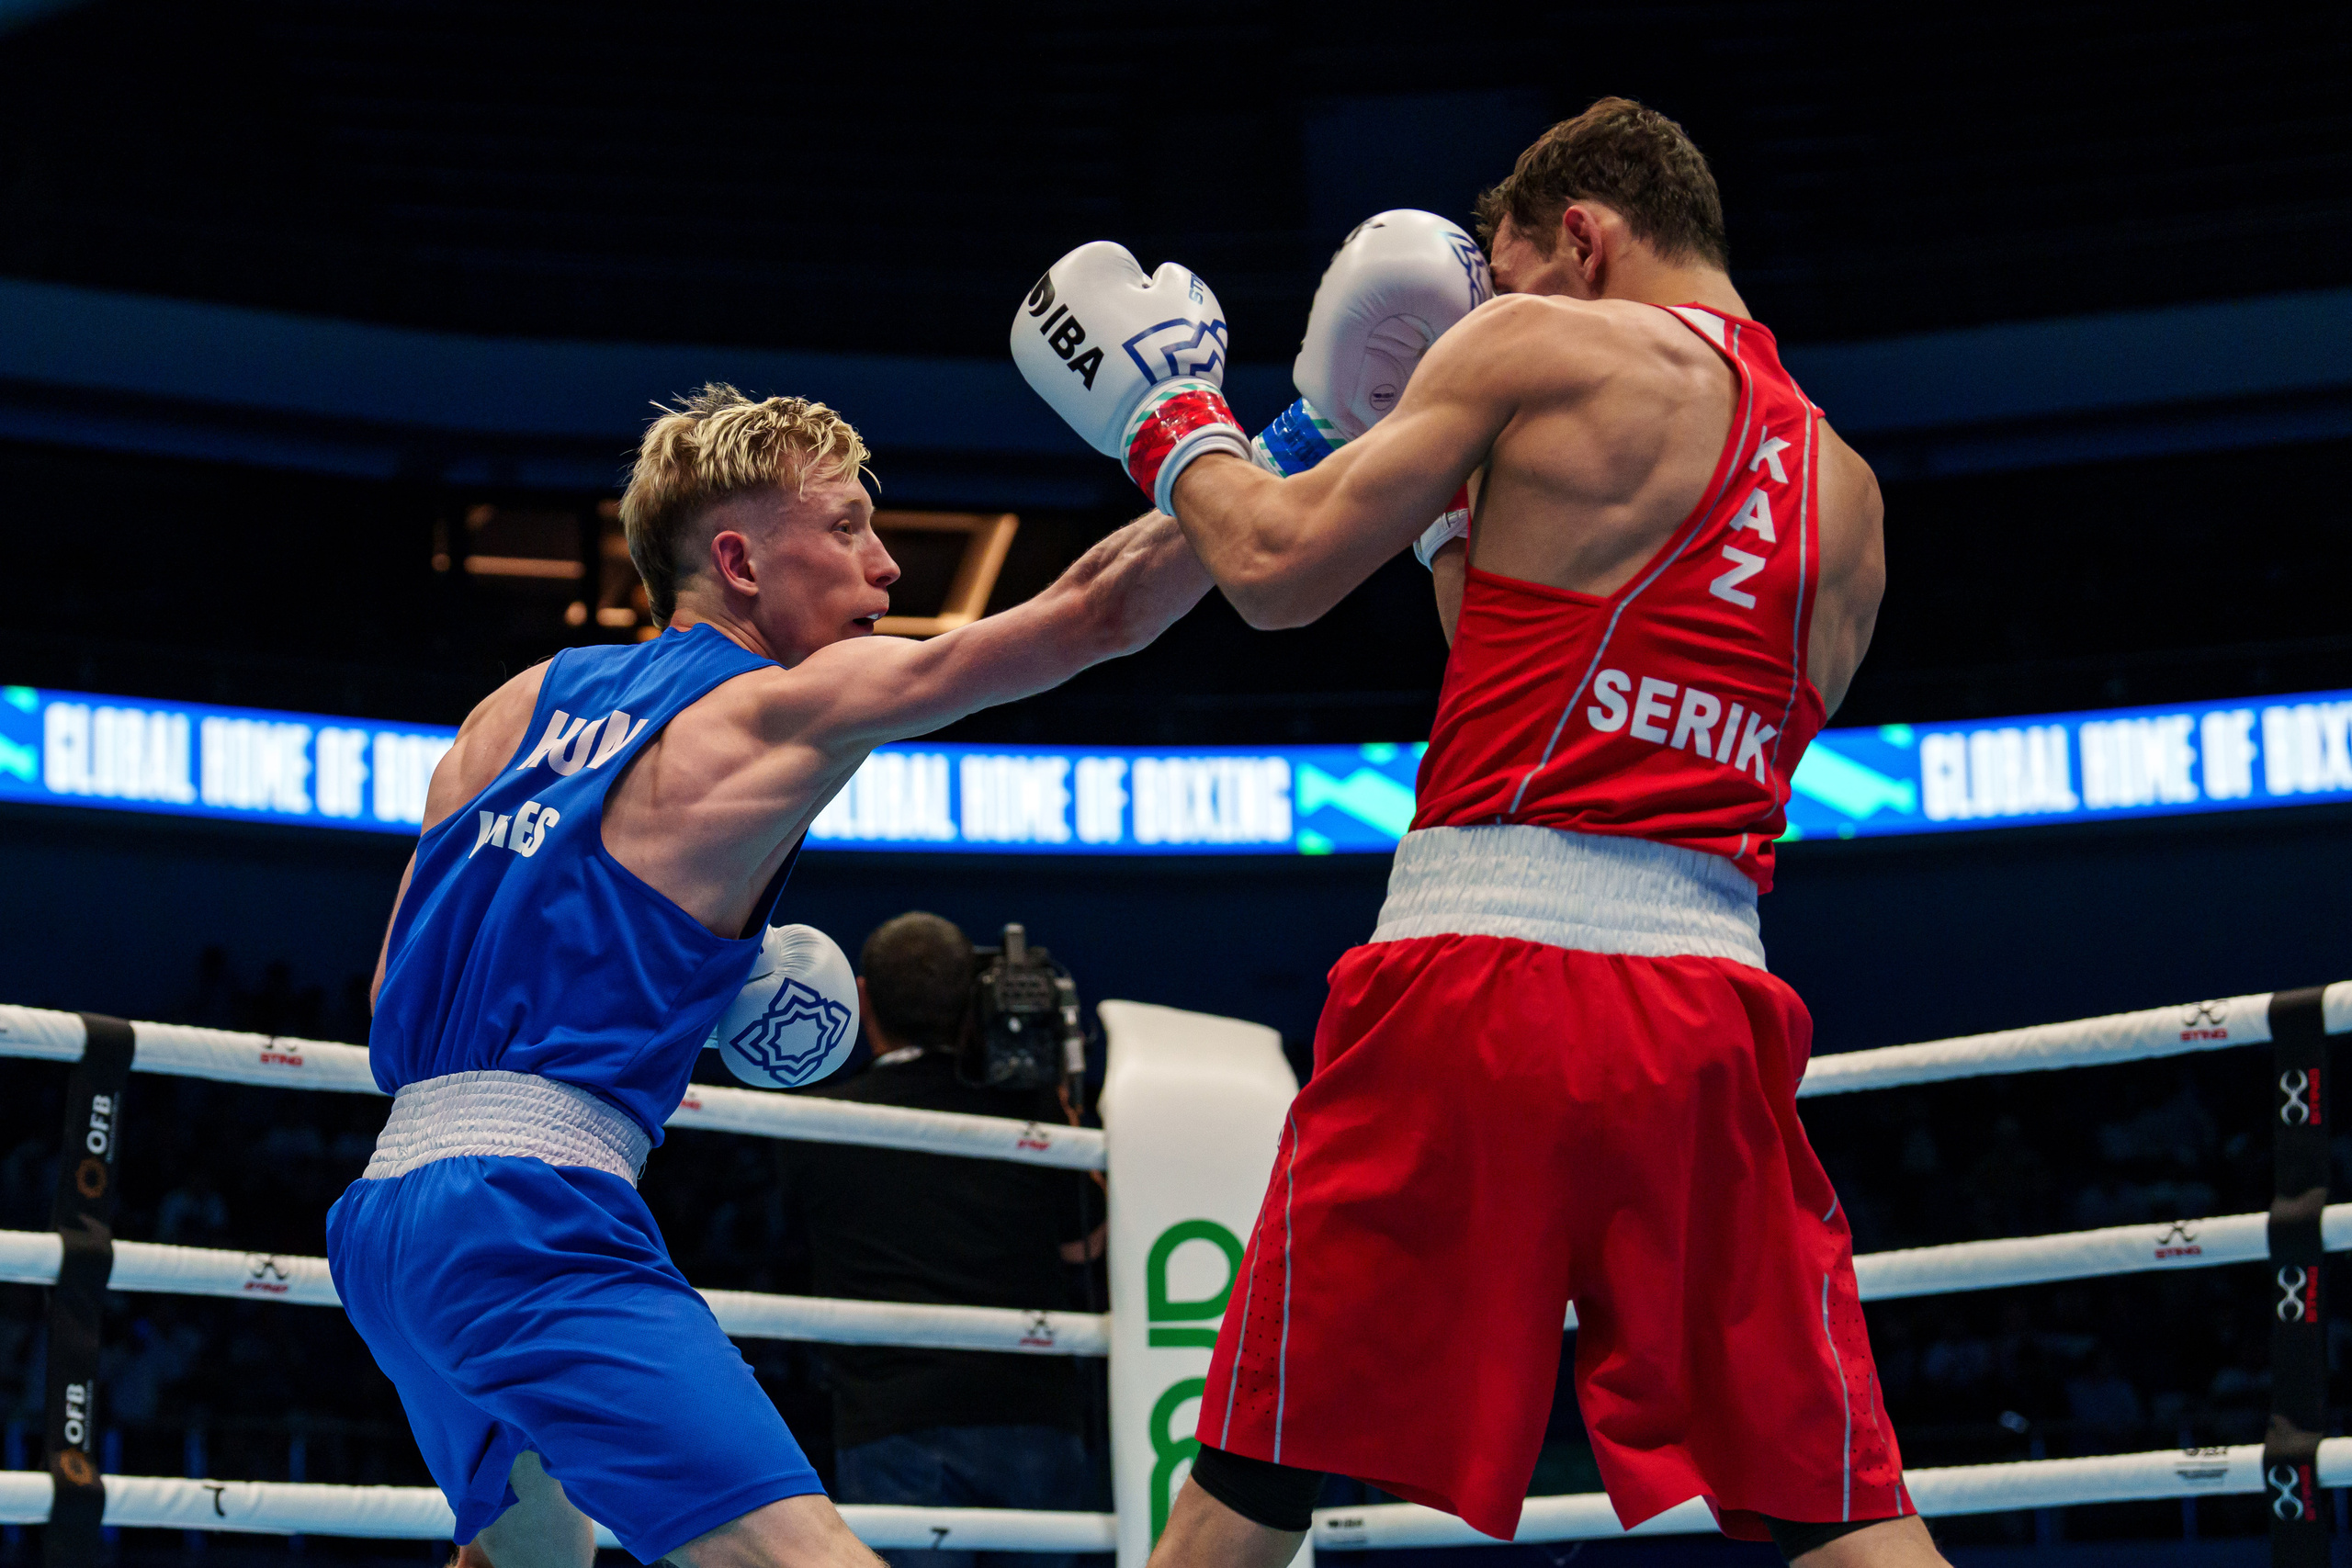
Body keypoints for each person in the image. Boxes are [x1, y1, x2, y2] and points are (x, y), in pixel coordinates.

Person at [1013, 100, 1938, 1568]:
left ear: (1584, 238)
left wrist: (1168, 415)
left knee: (1250, 1481)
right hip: (1710, 1020)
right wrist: (1452, 514)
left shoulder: (1542, 349)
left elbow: (1270, 570)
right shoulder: (1854, 497)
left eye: (1500, 280)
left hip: (1477, 991)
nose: (1481, 314)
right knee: (1841, 1508)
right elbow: (1543, 682)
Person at [326, 386, 1210, 1568]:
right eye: (847, 528)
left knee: (526, 1556)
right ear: (738, 559)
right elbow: (1095, 612)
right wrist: (1254, 447)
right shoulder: (772, 712)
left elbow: (396, 993)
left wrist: (684, 978)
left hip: (386, 1222)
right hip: (529, 1217)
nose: (886, 566)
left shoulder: (509, 708)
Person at [780, 912, 1102, 1568]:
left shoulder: (816, 1125)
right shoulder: (1031, 1116)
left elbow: (785, 1262)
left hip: (892, 1421)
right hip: (1030, 1414)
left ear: (863, 999)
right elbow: (1087, 1245)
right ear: (972, 1002)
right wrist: (1066, 1109)